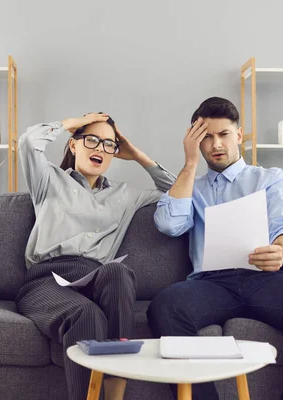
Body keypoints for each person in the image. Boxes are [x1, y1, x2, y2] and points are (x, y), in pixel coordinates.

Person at [147, 97, 283, 400]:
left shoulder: (272, 179)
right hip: (211, 285)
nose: (216, 144)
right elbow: (169, 225)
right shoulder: (191, 187)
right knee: (164, 307)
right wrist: (189, 164)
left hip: (268, 280)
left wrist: (280, 250)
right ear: (196, 143)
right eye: (206, 138)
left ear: (239, 135)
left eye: (224, 134)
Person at [16, 113, 176, 400]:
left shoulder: (124, 195)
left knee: (119, 272)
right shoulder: (48, 180)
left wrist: (138, 156)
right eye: (91, 140)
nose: (100, 148)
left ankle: (115, 396)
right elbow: (29, 142)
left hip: (94, 274)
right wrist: (74, 121)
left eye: (109, 144)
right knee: (86, 315)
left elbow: (178, 193)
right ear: (74, 144)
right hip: (46, 280)